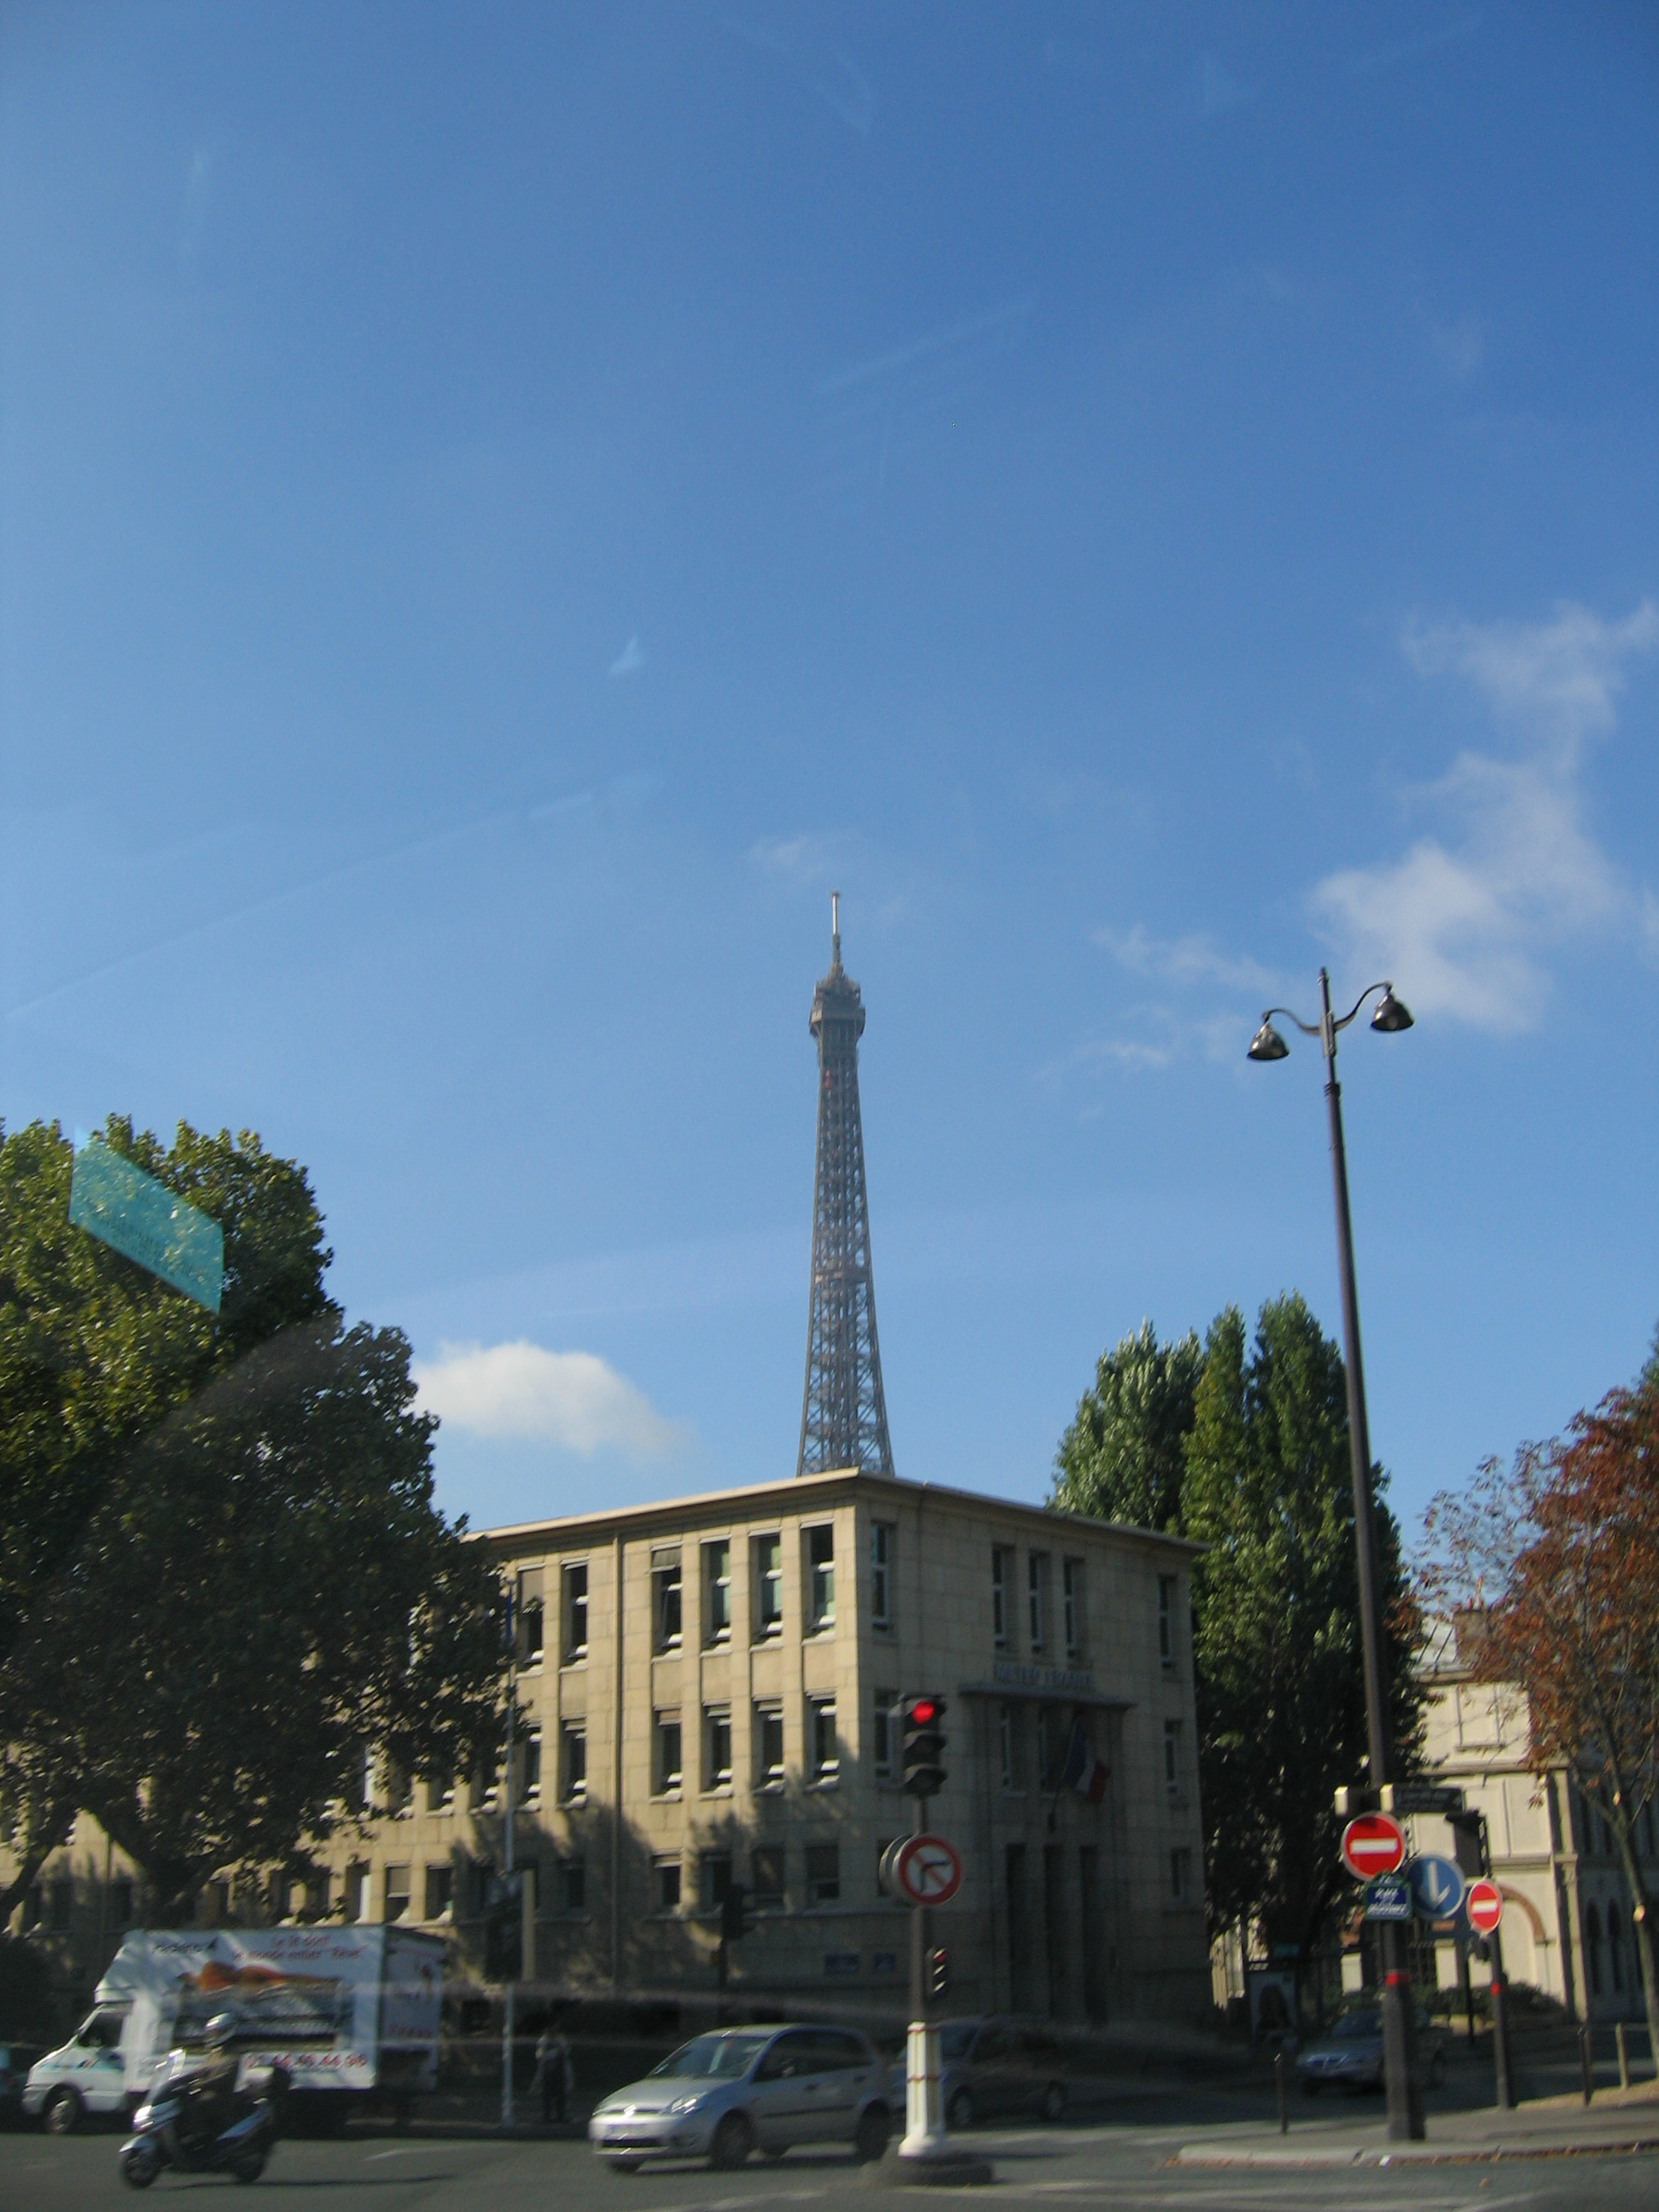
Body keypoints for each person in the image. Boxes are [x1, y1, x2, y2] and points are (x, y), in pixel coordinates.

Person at [534, 2022, 572, 2125]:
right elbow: (540, 2055)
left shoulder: (561, 2040)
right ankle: (547, 2116)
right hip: (547, 2072)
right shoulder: (543, 2041)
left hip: (560, 2072)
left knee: (560, 2094)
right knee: (547, 2094)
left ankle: (561, 2115)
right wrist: (547, 2060)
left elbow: (564, 2052)